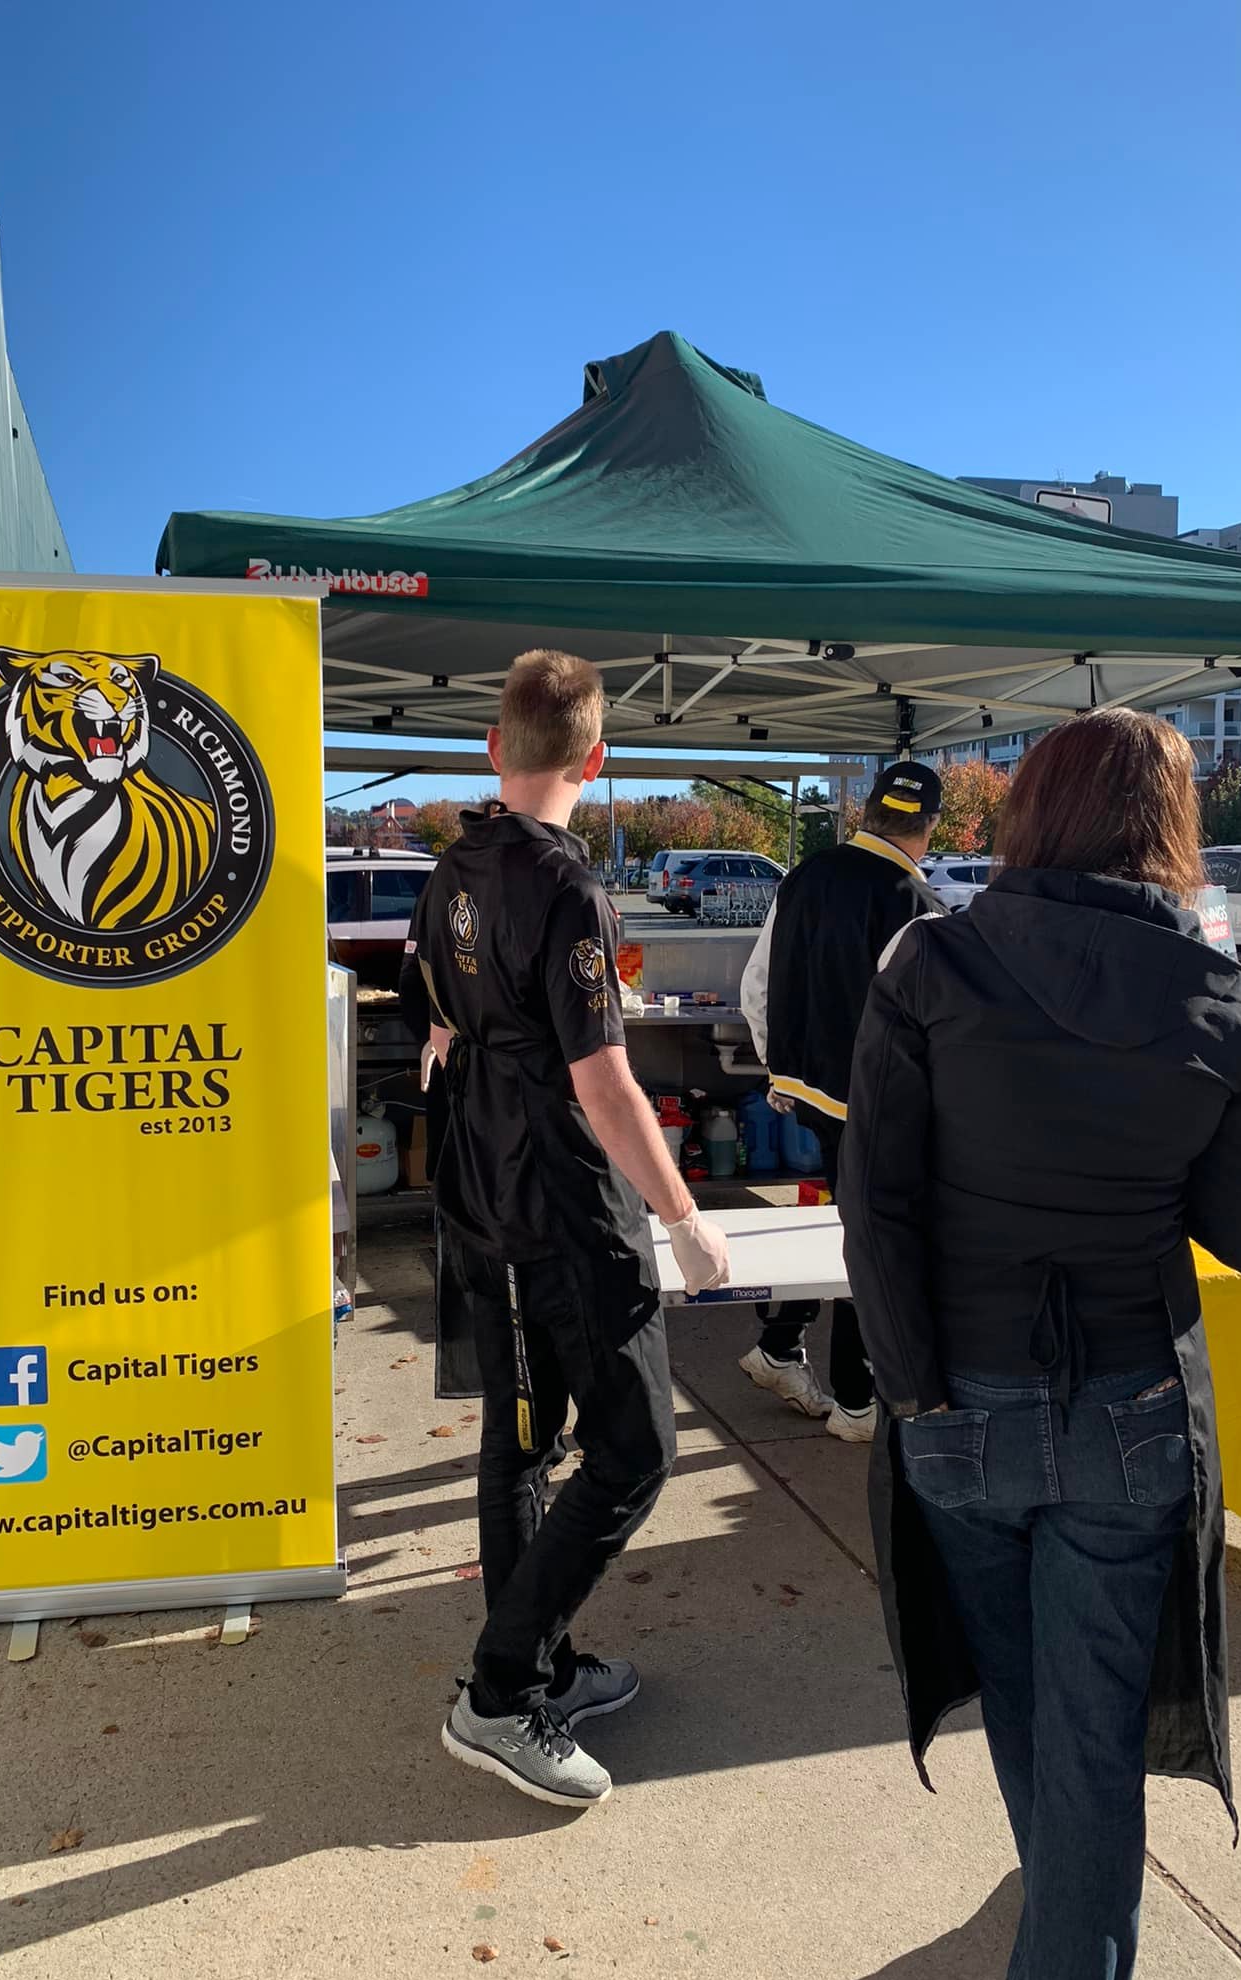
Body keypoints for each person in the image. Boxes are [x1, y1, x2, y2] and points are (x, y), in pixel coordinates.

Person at [838, 708, 1241, 1980]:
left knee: (1037, 1721)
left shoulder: (931, 962)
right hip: (1130, 1414)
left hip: (958, 1401)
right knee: (1087, 1750)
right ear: (1172, 829)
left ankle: (1061, 1955)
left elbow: (876, 1208)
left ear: (1032, 809)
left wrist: (914, 1396)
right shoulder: (1230, 1000)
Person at [401, 649, 730, 1810]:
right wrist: (685, 1216)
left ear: (496, 747)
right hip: (563, 1208)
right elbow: (605, 1084)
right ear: (596, 759)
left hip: (482, 1193)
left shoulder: (450, 871)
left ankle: (534, 1664)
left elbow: (436, 1021)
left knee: (522, 1441)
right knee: (636, 1451)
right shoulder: (567, 889)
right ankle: (501, 1689)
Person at [738, 762, 942, 1440]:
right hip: (878, 1106)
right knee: (874, 1243)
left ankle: (779, 1347)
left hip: (813, 1095)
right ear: (928, 828)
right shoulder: (915, 903)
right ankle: (857, 1402)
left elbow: (757, 985)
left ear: (869, 813)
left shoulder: (804, 877)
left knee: (847, 1224)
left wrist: (781, 1070)